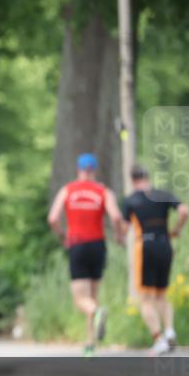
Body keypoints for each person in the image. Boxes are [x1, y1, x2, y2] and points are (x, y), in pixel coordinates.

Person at [47, 153, 124, 357]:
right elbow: (116, 216)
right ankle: (90, 344)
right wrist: (119, 235)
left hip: (78, 244)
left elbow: (53, 218)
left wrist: (62, 235)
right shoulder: (103, 191)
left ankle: (97, 314)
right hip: (98, 246)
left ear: (78, 169)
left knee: (81, 299)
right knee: (92, 296)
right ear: (95, 170)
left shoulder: (67, 190)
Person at [120, 165, 189, 355]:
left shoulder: (131, 200)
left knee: (145, 298)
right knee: (161, 294)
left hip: (146, 247)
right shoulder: (163, 194)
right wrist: (177, 230)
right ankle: (170, 331)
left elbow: (125, 227)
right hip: (165, 245)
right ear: (148, 177)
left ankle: (159, 339)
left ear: (132, 179)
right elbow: (184, 211)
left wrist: (119, 236)